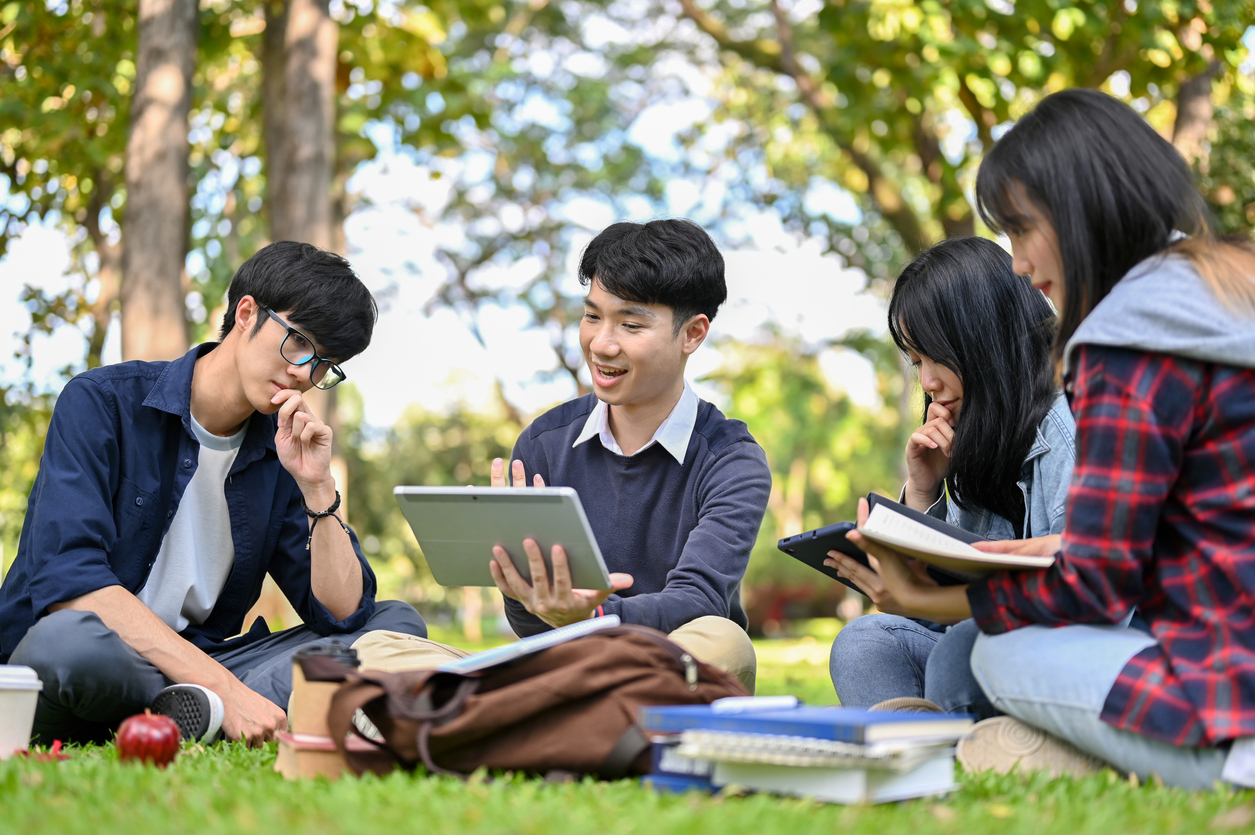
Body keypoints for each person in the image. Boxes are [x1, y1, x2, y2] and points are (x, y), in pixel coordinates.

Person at [827, 89, 1255, 789]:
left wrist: (927, 601)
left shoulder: (1126, 337)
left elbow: (1098, 583)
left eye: (1021, 230)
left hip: (1220, 682)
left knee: (991, 651)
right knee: (879, 641)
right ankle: (973, 742)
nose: (1019, 264)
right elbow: (1128, 538)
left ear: (1083, 209)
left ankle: (1121, 757)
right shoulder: (1219, 286)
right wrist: (930, 506)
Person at [0, 241, 428, 747]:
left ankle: (192, 711)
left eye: (324, 365)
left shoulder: (279, 450)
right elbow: (69, 582)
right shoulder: (101, 402)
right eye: (298, 343)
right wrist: (225, 685)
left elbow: (341, 614)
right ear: (247, 313)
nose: (303, 373)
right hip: (94, 650)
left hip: (200, 660)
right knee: (68, 644)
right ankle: (218, 704)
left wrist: (317, 487)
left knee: (393, 623)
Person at [354, 219, 772, 690]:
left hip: (661, 666)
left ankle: (502, 713)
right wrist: (523, 588)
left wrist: (591, 614)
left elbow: (698, 601)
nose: (601, 343)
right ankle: (562, 716)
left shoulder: (732, 460)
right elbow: (530, 628)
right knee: (375, 648)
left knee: (723, 642)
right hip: (557, 668)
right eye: (592, 316)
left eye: (631, 324)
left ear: (693, 334)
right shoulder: (543, 443)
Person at [827, 236, 1074, 718]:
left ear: (985, 338)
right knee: (863, 642)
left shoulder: (1068, 427)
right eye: (916, 362)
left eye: (935, 356)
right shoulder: (975, 439)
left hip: (1074, 649)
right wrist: (923, 489)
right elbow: (932, 613)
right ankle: (927, 750)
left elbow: (1094, 599)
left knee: (961, 655)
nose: (928, 383)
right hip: (992, 649)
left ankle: (967, 749)